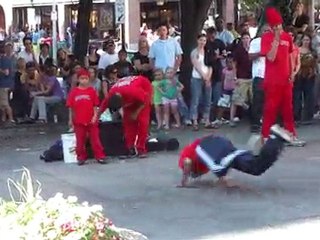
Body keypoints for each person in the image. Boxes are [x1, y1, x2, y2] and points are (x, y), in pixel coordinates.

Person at [177, 124, 292, 188]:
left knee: (220, 167)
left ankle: (274, 139)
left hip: (212, 148)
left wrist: (184, 182)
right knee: (256, 168)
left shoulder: (190, 155)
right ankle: (275, 140)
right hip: (218, 145)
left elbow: (187, 161)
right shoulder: (204, 158)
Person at [261, 7, 305, 146]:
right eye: (276, 26)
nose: (279, 28)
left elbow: (290, 56)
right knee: (271, 108)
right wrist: (276, 40)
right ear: (271, 27)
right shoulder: (266, 38)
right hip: (272, 81)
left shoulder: (287, 37)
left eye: (279, 25)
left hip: (286, 80)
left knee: (288, 109)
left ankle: (291, 135)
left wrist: (292, 72)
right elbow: (271, 57)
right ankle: (265, 136)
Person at [99, 75, 152, 158]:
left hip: (143, 89)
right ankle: (130, 147)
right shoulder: (111, 94)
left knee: (143, 122)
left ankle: (141, 148)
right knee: (128, 123)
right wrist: (95, 117)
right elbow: (102, 107)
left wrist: (135, 113)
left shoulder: (132, 91)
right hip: (129, 94)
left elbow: (144, 101)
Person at [66, 68, 106, 166]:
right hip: (78, 121)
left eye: (86, 78)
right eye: (82, 78)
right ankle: (80, 157)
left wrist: (95, 117)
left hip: (91, 120)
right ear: (78, 79)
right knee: (80, 141)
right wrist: (70, 120)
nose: (84, 80)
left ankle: (100, 156)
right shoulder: (74, 92)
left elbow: (95, 106)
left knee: (95, 140)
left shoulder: (91, 91)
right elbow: (70, 108)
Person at [248, 25, 270, 133]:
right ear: (261, 32)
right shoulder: (256, 42)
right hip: (259, 75)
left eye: (269, 31)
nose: (267, 33)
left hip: (271, 76)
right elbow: (250, 56)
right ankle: (255, 124)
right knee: (258, 100)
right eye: (265, 31)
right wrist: (261, 53)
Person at [190, 34, 213, 131]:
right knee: (196, 99)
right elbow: (196, 65)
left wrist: (208, 77)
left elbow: (211, 65)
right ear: (197, 40)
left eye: (204, 40)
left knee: (208, 99)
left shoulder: (208, 51)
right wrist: (204, 76)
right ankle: (194, 120)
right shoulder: (194, 52)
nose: (202, 42)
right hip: (197, 77)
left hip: (207, 77)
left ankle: (206, 119)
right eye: (201, 40)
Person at [230, 32, 252, 127]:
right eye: (244, 38)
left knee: (255, 99)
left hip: (252, 77)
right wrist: (235, 76)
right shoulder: (238, 50)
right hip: (241, 77)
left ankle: (256, 118)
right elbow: (234, 64)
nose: (246, 40)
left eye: (248, 38)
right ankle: (231, 119)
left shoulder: (253, 49)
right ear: (242, 40)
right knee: (236, 99)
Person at [294, 33, 317, 124]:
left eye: (308, 40)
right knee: (297, 96)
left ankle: (308, 116)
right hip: (298, 75)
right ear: (302, 41)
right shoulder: (297, 50)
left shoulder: (313, 51)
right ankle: (297, 116)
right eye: (305, 40)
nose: (306, 42)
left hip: (310, 75)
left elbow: (315, 63)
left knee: (309, 96)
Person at [212, 55, 236, 128]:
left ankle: (231, 119)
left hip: (233, 89)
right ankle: (218, 119)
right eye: (228, 62)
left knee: (233, 104)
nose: (229, 64)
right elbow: (222, 80)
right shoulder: (224, 71)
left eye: (231, 62)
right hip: (226, 89)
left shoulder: (235, 70)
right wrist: (222, 89)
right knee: (222, 104)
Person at [0, 42, 15, 124]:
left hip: (4, 84)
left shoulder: (4, 60)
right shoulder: (4, 59)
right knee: (2, 104)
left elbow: (6, 72)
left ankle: (11, 118)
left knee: (5, 103)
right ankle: (4, 118)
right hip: (4, 84)